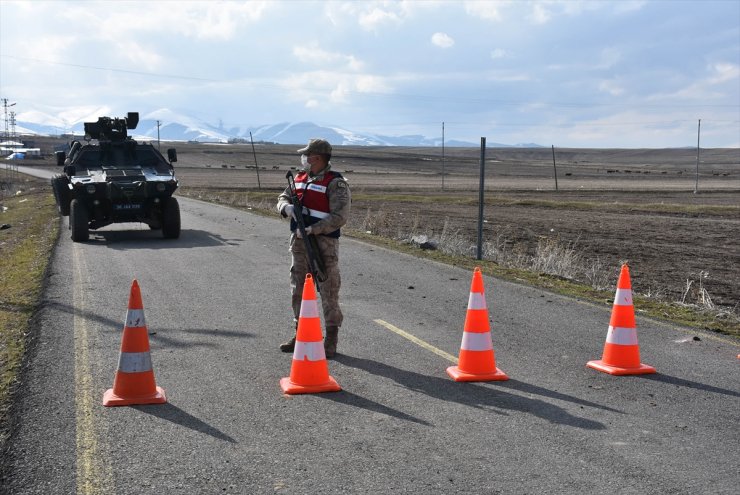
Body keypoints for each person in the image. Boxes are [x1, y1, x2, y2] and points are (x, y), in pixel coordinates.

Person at [276, 138, 351, 358]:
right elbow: (282, 196)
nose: (305, 159)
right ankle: (301, 334)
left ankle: (331, 339)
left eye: (308, 155)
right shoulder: (299, 178)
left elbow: (340, 217)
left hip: (324, 245)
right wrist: (285, 207)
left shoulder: (335, 183)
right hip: (299, 244)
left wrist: (313, 229)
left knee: (328, 290)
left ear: (317, 158)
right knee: (298, 289)